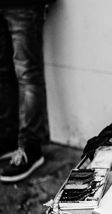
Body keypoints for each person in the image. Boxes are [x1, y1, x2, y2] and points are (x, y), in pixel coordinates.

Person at [0, 0, 51, 182]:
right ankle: (7, 140)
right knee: (4, 73)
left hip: (23, 5)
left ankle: (30, 147)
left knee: (28, 75)